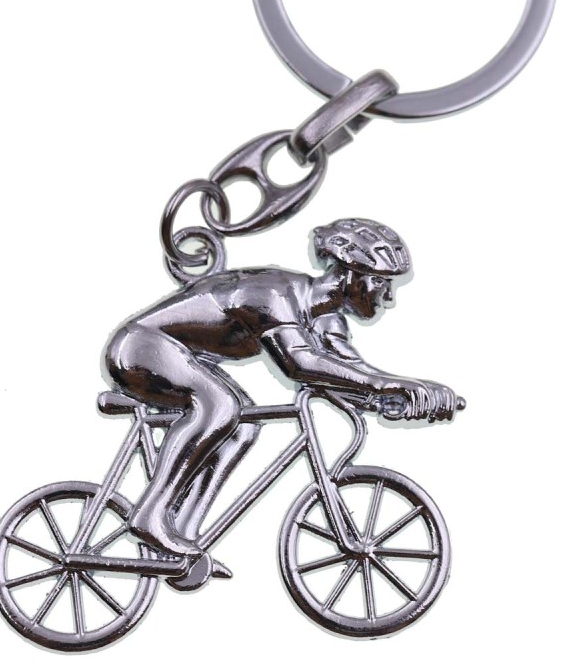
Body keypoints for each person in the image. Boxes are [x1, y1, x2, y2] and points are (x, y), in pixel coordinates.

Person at [103, 217, 458, 562]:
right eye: (381, 282)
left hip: (179, 355)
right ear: (350, 275)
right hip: (141, 347)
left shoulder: (326, 318)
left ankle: (183, 535)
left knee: (243, 427)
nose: (389, 297)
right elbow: (299, 364)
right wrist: (384, 386)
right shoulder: (273, 293)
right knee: (221, 406)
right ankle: (150, 515)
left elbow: (353, 374)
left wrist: (401, 396)